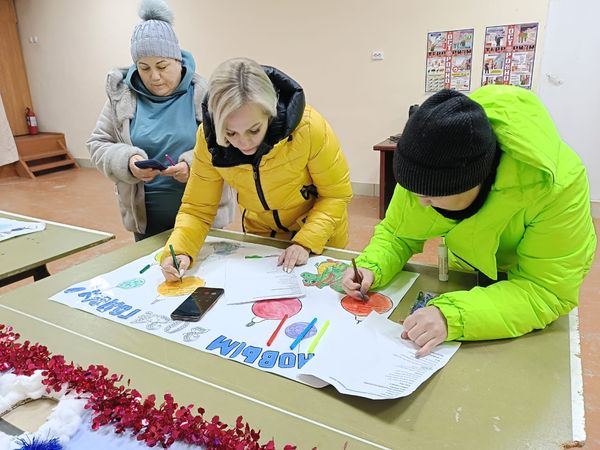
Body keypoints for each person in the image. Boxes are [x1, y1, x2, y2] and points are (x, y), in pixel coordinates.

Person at [343, 86, 596, 357]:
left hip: (531, 277)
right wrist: (372, 265)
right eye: (414, 192)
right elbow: (398, 233)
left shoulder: (558, 185)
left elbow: (544, 290)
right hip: (468, 265)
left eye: (431, 195)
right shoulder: (427, 166)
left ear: (475, 181)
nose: (421, 203)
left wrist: (453, 316)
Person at [161, 57, 352, 279]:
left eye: (254, 130)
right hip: (261, 238)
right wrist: (181, 250)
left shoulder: (309, 128)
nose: (244, 143)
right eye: (230, 133)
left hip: (320, 235)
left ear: (270, 114)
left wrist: (306, 241)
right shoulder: (209, 139)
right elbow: (197, 208)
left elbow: (336, 195)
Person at [87, 0, 235, 240]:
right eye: (144, 68)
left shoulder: (204, 95)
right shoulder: (121, 98)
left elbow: (227, 145)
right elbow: (98, 144)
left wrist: (192, 166)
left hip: (203, 217)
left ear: (178, 60)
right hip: (147, 222)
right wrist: (128, 161)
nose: (154, 76)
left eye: (162, 66)